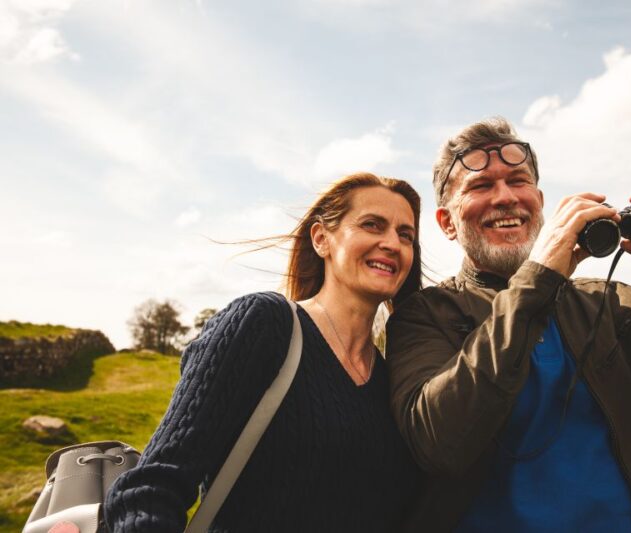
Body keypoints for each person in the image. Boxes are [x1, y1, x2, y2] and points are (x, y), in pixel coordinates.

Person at [386, 118, 631, 532]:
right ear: (447, 223)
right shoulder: (425, 315)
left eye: (518, 181)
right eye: (481, 186)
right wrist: (537, 282)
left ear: (540, 202)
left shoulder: (617, 306)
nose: (505, 197)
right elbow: (439, 444)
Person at [105, 172, 422, 532]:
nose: (392, 243)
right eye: (372, 225)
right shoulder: (264, 324)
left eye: (405, 235)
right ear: (321, 239)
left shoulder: (393, 379)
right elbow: (150, 488)